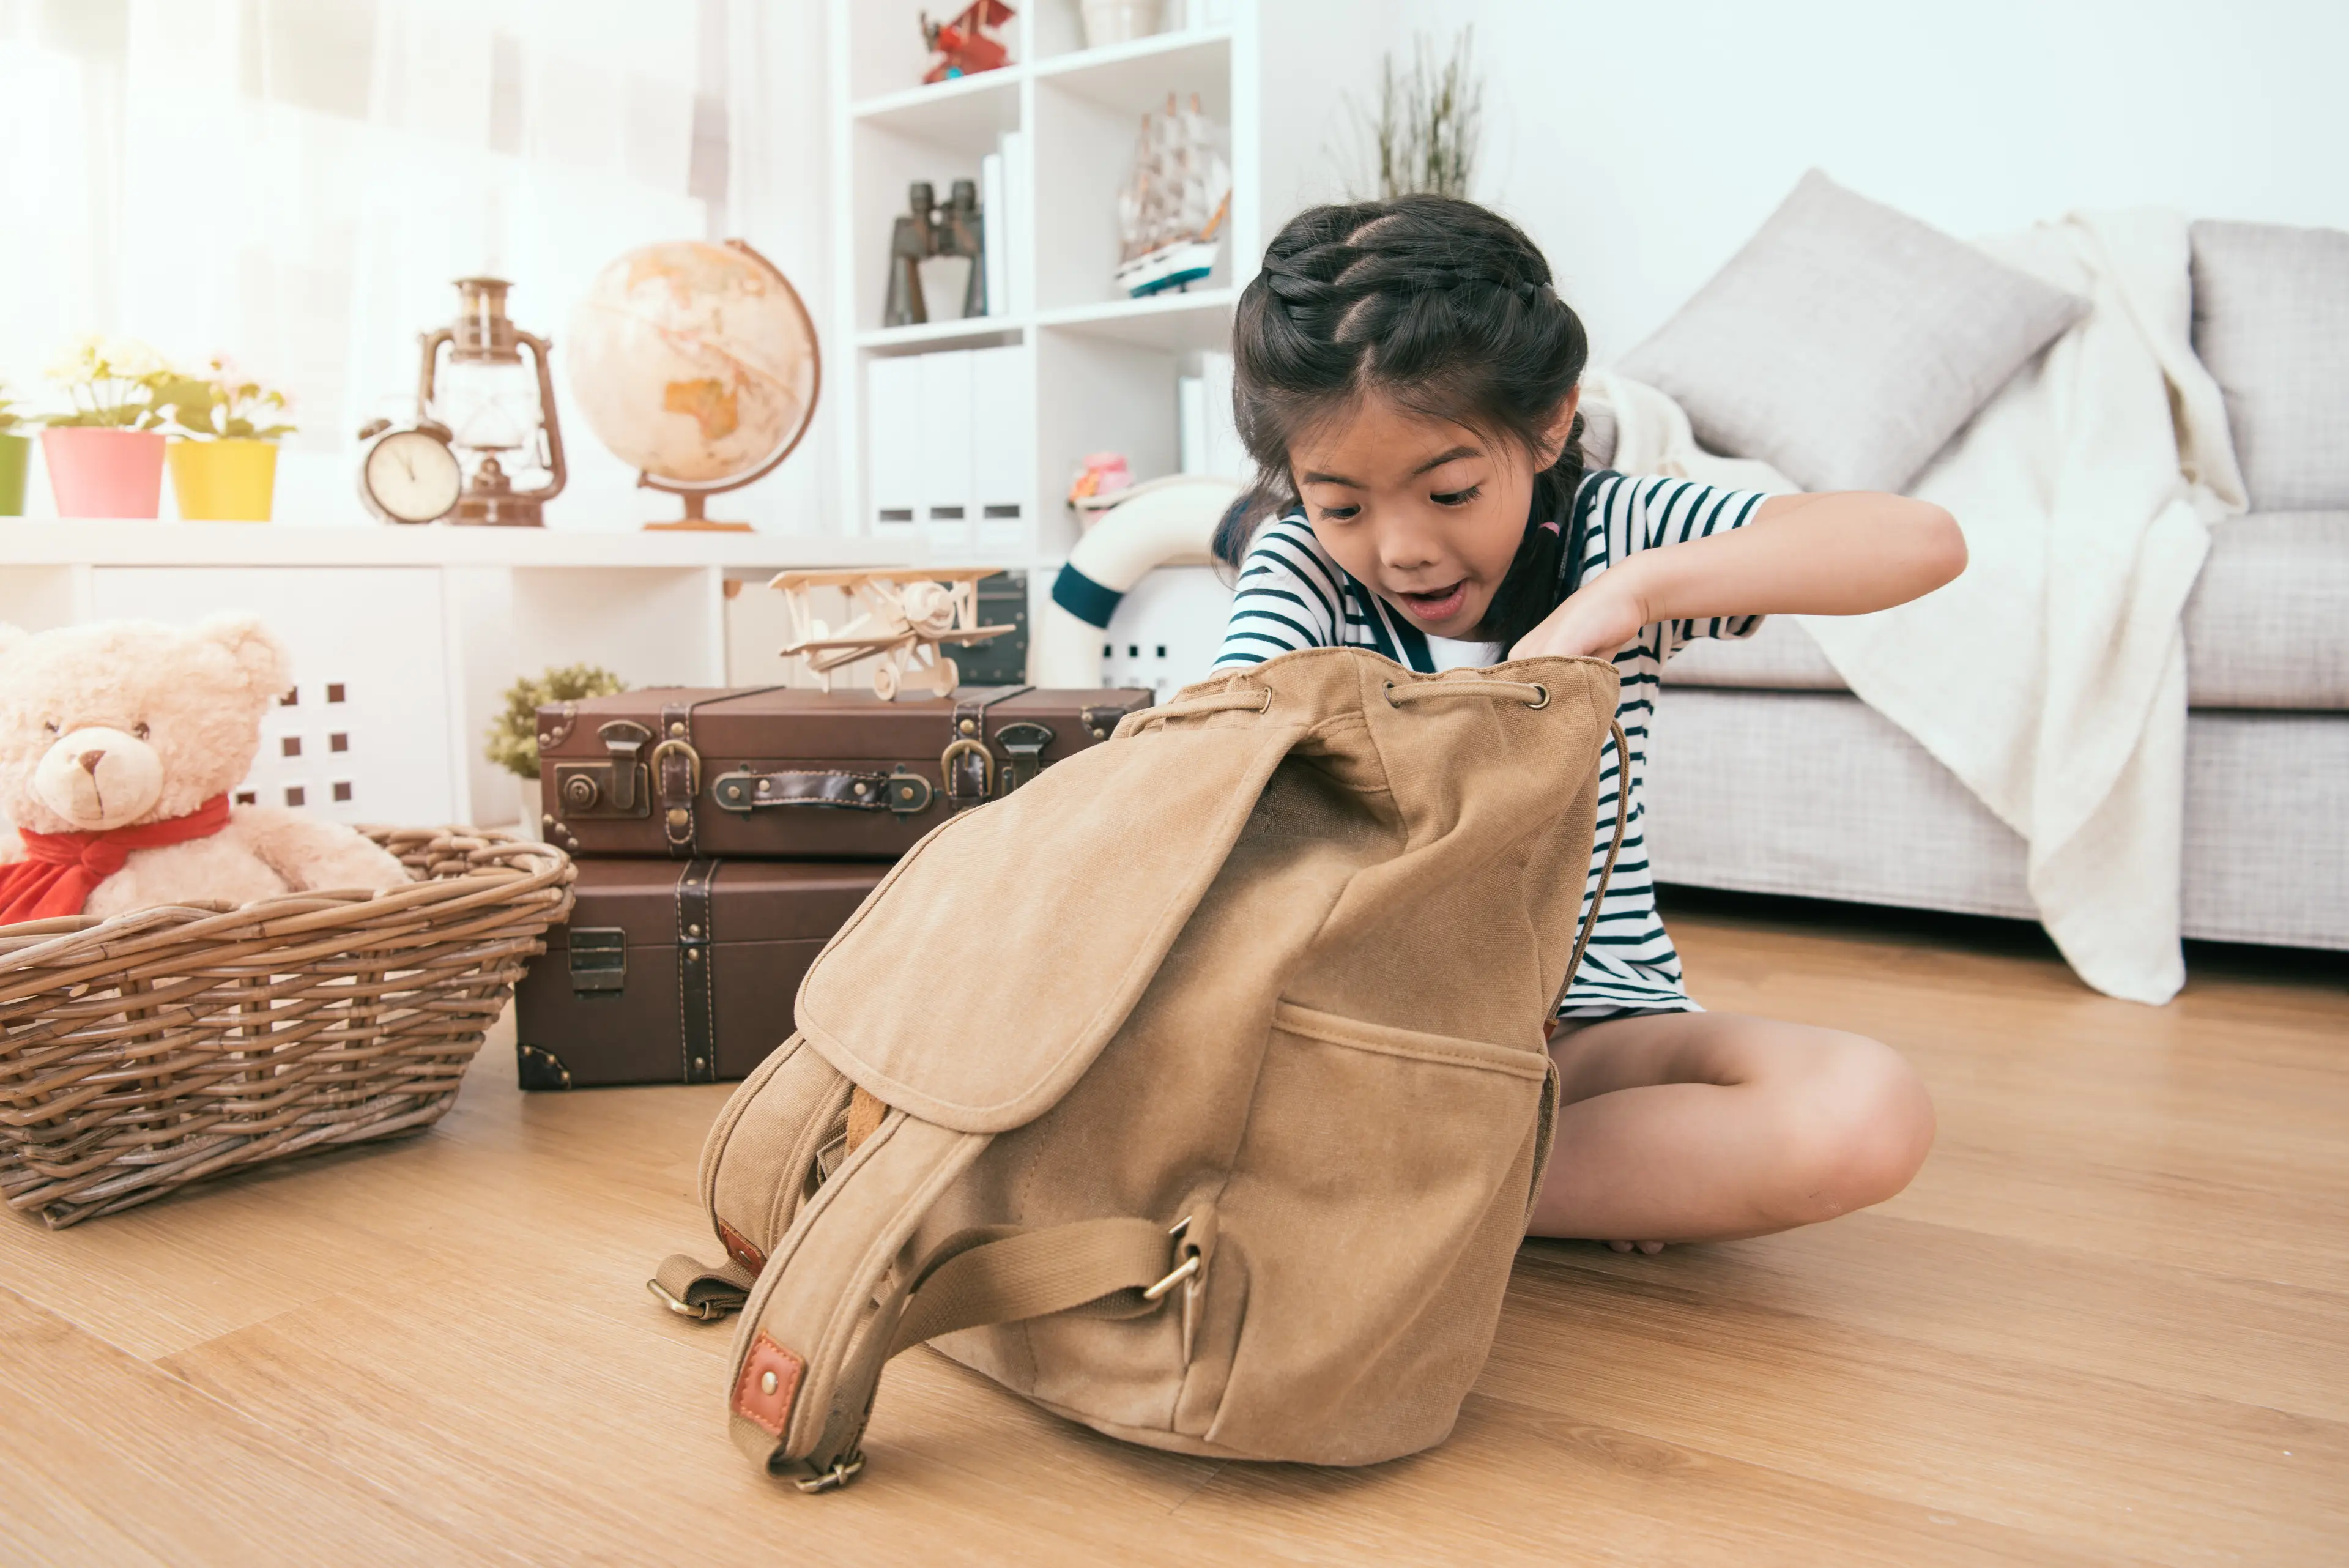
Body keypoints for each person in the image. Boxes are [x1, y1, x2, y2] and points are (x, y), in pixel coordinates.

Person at [1211, 195, 1961, 1252]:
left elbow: (1918, 540)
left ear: (1551, 422)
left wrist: (1633, 596)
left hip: (1593, 1030)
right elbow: (1218, 773)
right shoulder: (1300, 572)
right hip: (1371, 1040)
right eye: (1343, 506)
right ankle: (1476, 1193)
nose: (1403, 547)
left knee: (1868, 1114)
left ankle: (1390, 1203)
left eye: (1452, 490)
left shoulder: (1615, 534)